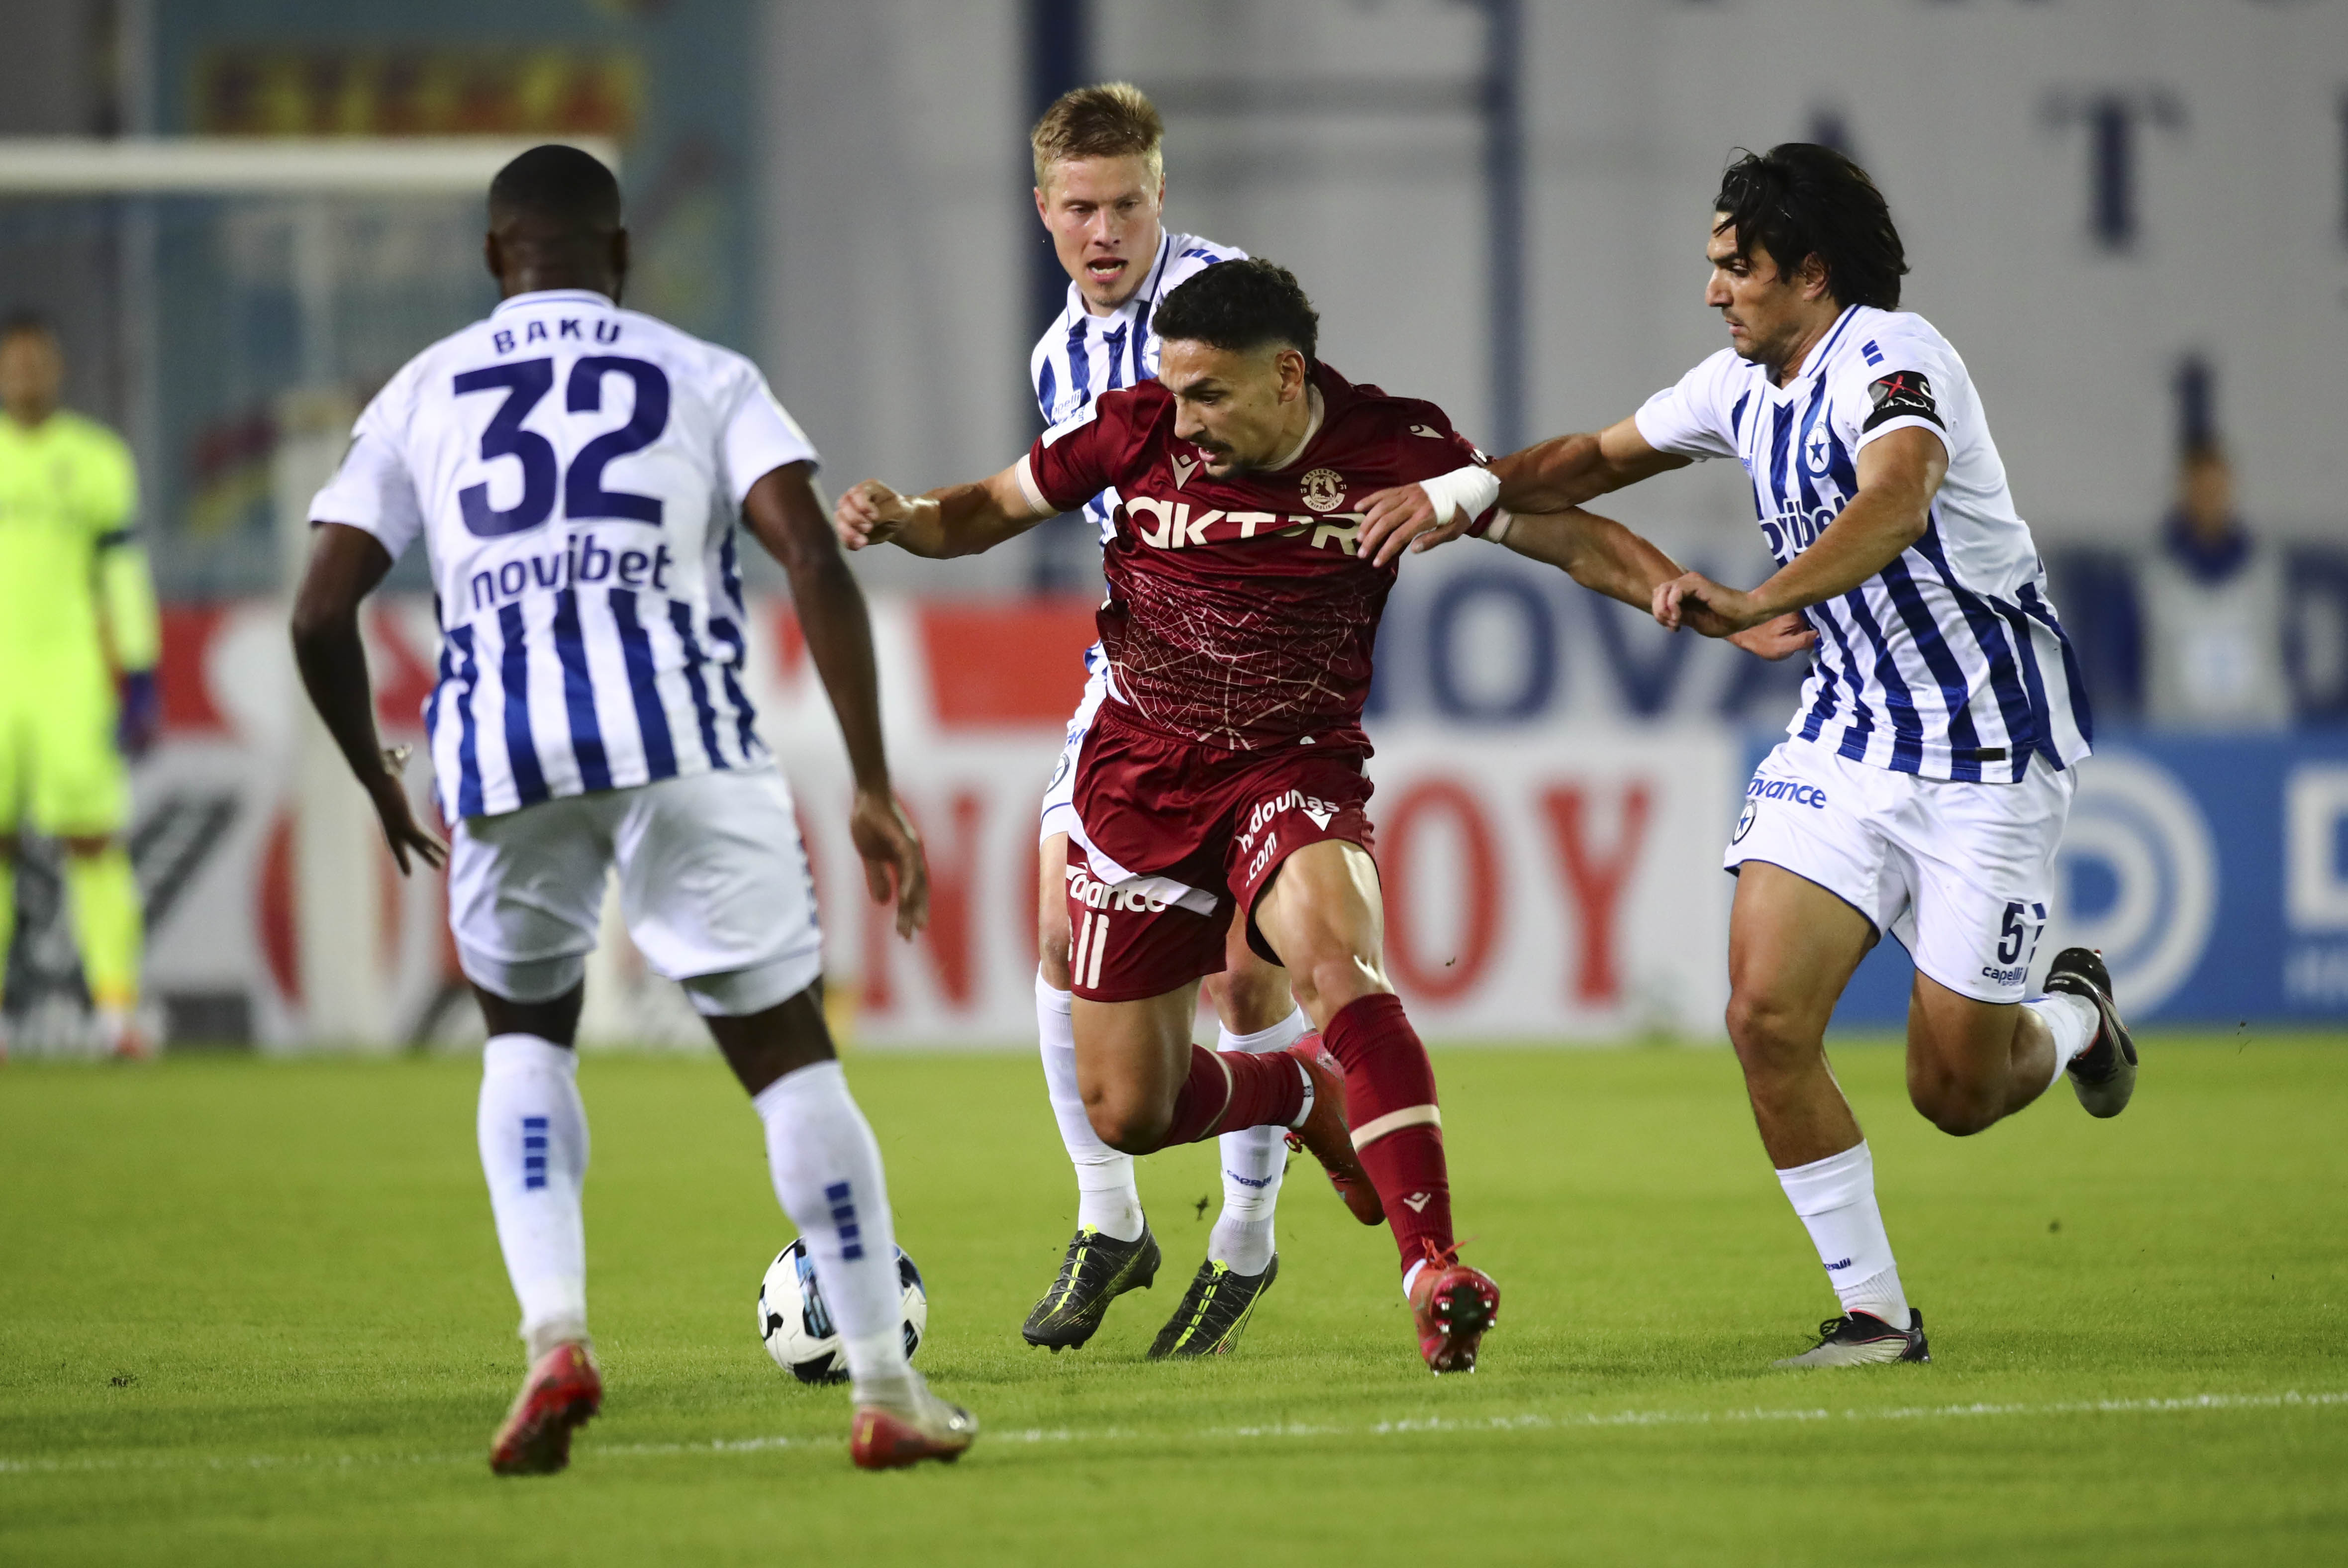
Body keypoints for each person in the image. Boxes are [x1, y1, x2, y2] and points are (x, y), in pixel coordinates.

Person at [1360, 143, 2139, 1367]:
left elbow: (1897, 502)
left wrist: (1754, 597)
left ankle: (2075, 1020)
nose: (1713, 290)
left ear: (1810, 274)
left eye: (1737, 267)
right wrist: (1462, 493)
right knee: (1763, 1015)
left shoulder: (1893, 358)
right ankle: (1874, 1316)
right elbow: (1592, 462)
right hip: (1847, 731)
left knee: (1956, 1092)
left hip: (1987, 748)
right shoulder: (1736, 387)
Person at [290, 145, 977, 1472]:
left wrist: (374, 772)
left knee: (525, 1045)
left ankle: (555, 1339)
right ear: (619, 254)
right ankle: (886, 1389)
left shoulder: (423, 389)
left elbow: (321, 611)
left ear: (494, 257)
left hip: (501, 755)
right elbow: (809, 554)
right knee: (790, 1063)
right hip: (682, 741)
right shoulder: (703, 374)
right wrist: (871, 783)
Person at [837, 258, 1505, 1373]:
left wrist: (1672, 592)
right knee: (1129, 1108)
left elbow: (1538, 515)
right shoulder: (1133, 422)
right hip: (1143, 767)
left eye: (1207, 394)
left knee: (1331, 965)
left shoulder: (1392, 443)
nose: (1183, 419)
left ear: (1285, 376)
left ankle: (1430, 1266)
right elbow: (990, 508)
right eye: (1175, 391)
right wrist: (908, 518)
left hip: (1291, 760)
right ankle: (1295, 1089)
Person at [1018, 82, 1313, 1360]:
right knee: (1054, 924)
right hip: (1136, 676)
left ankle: (1242, 1239)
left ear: (1161, 197)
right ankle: (1110, 1219)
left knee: (1244, 971)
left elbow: (1309, 448)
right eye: (1081, 207)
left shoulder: (1222, 303)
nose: (1105, 232)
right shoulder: (1053, 358)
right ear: (1043, 208)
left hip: (1266, 673)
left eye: (1127, 204)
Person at [0, 311, 161, 1061]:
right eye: (14, 362)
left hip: (70, 675)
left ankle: (116, 1011)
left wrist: (140, 670)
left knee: (92, 840)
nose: (25, 374)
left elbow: (122, 572)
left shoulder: (97, 459)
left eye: (37, 361)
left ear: (57, 369)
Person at [2137, 440, 2290, 728]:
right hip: (2177, 731)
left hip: (2254, 731)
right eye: (2201, 490)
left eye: (2216, 489)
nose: (2210, 499)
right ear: (2184, 490)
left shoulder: (2261, 567)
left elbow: (2274, 652)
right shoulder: (2155, 569)